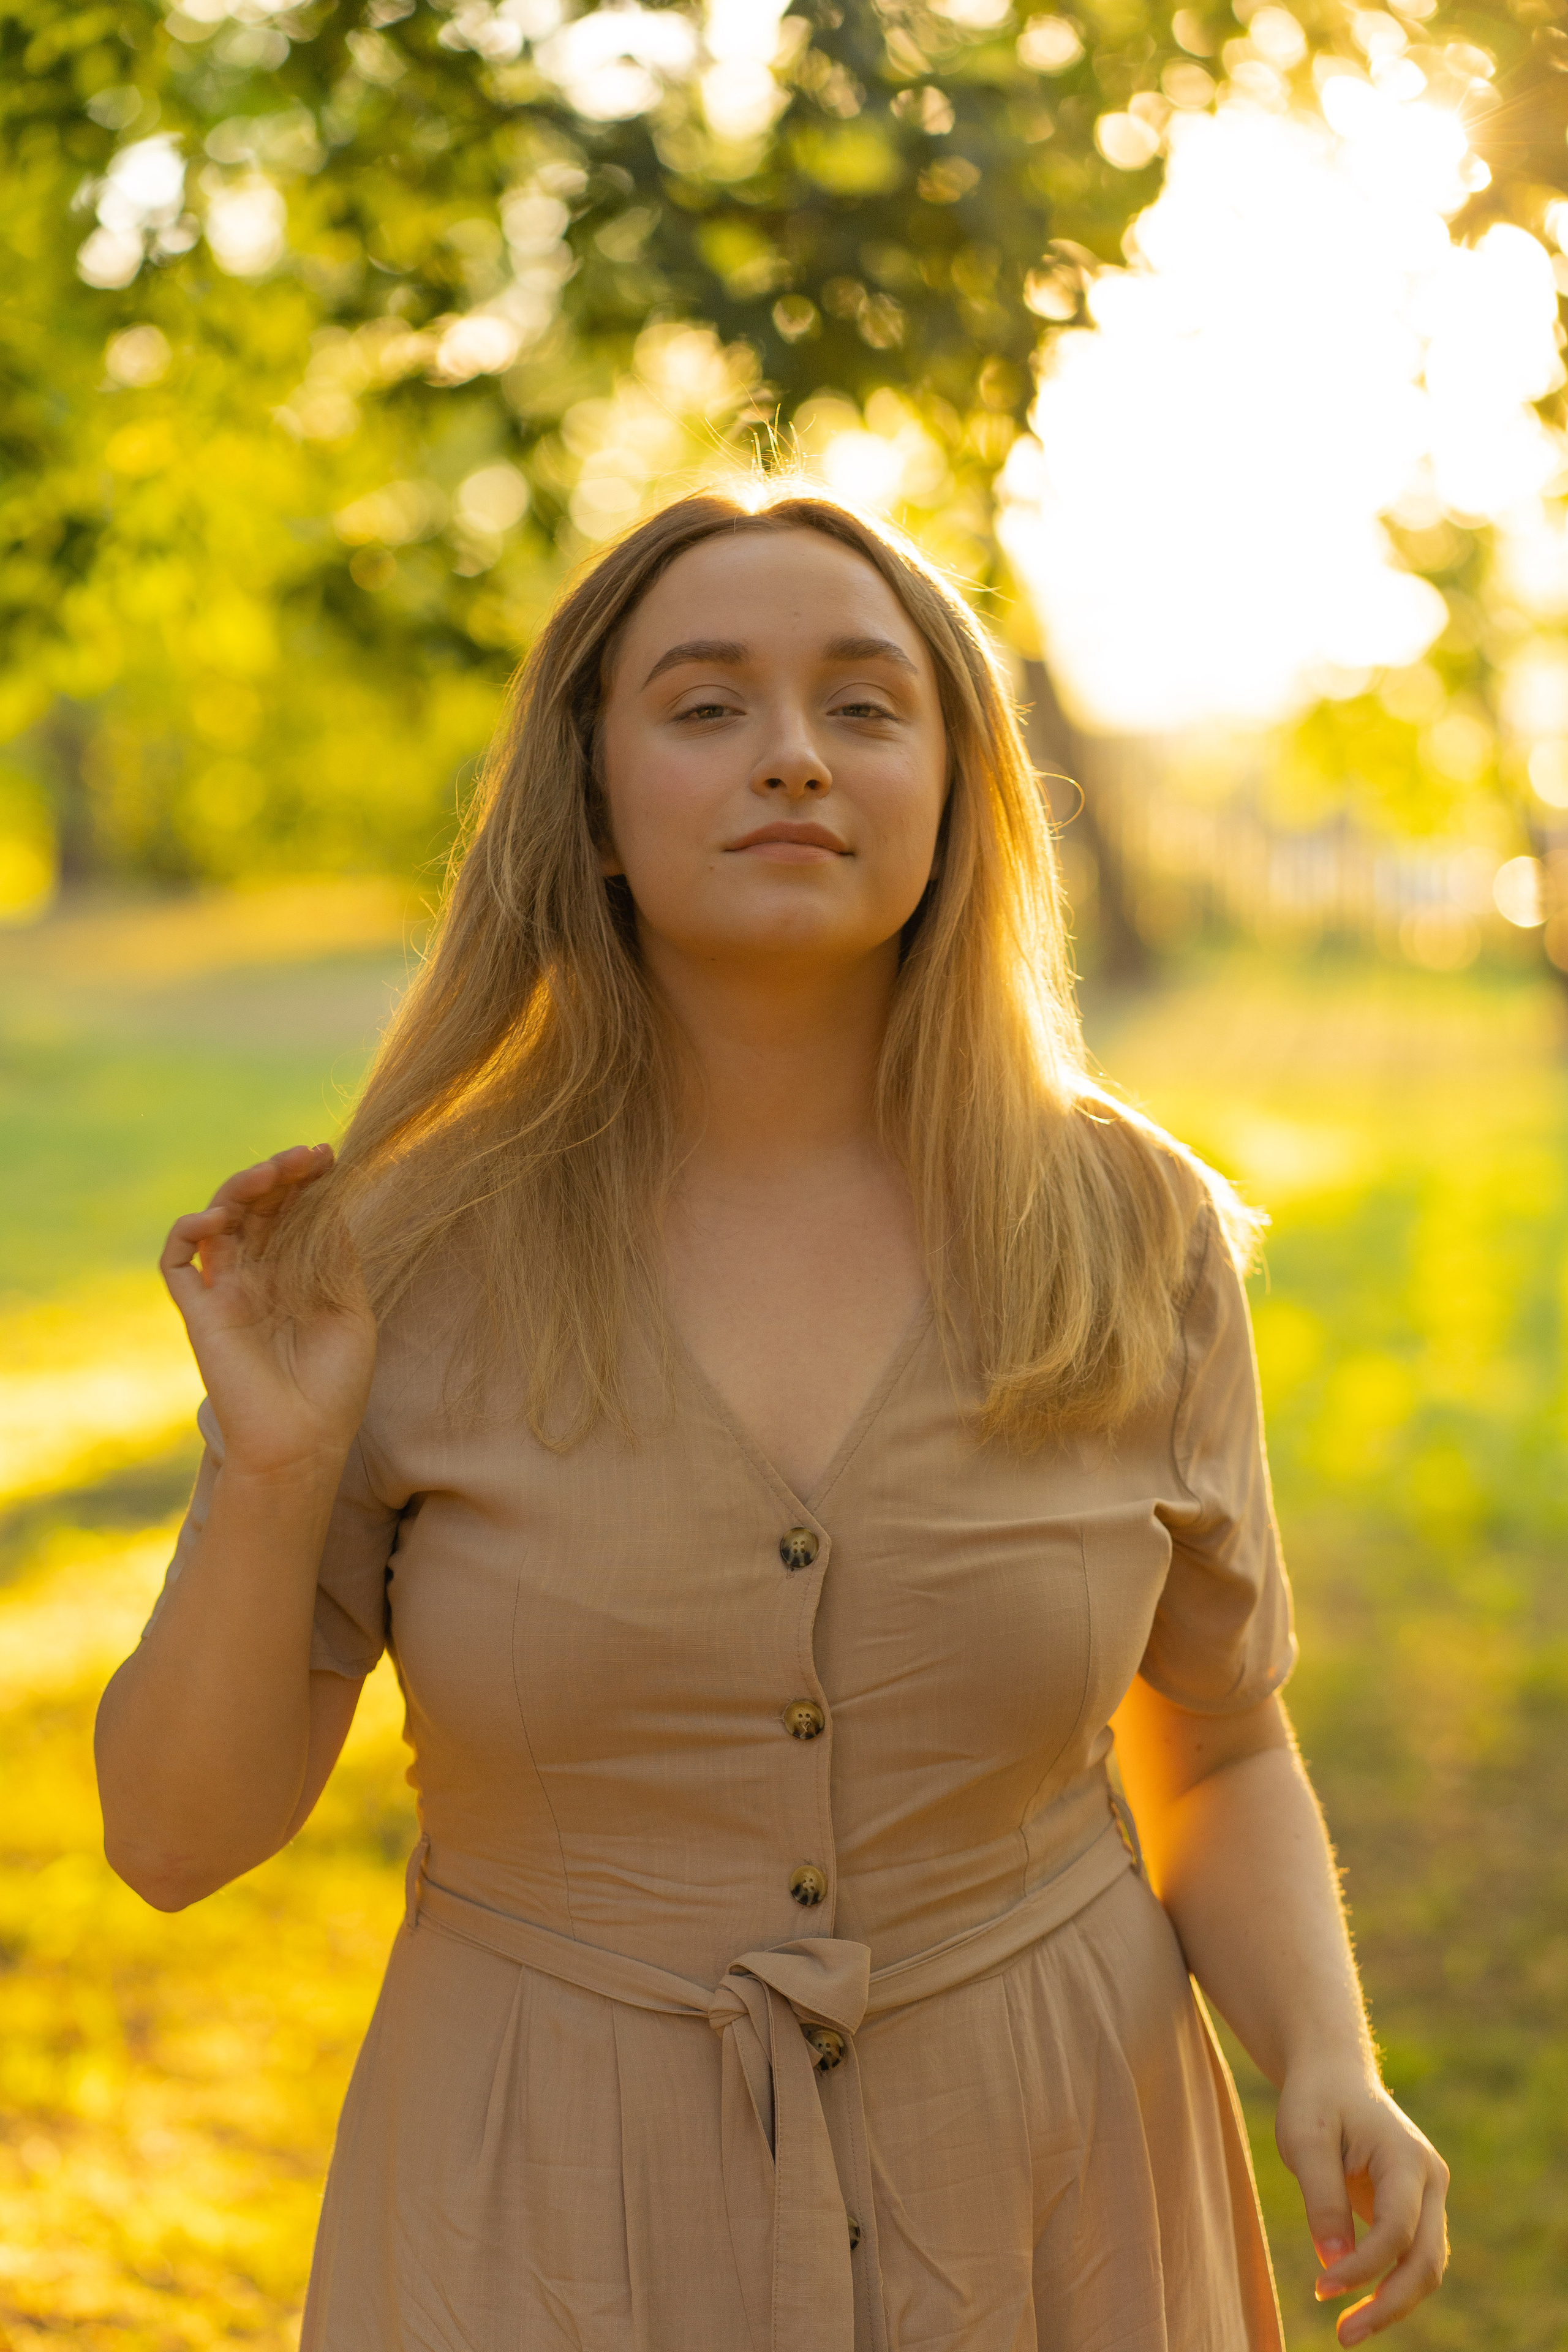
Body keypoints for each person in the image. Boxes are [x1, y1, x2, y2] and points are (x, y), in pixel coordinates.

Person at [96, 484, 1449, 2352]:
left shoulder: (1132, 1232)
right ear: (591, 797)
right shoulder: (394, 1255)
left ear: (959, 787)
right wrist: (269, 1470)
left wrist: (1325, 2059)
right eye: (709, 704)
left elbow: (1211, 1749)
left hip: (1061, 2190)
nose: (795, 758)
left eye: (867, 706)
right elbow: (174, 1840)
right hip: (538, 2207)